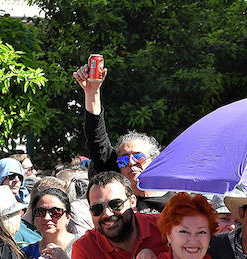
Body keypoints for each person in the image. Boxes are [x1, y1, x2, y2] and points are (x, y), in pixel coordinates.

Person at [73, 59, 173, 212]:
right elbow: (96, 140)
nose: (131, 163)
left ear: (154, 160)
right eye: (123, 160)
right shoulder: (118, 203)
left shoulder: (177, 201)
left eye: (139, 157)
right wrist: (92, 92)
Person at [19, 188, 77, 259]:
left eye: (55, 212)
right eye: (40, 212)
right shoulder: (25, 253)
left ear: (68, 217)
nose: (47, 217)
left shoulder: (84, 247)